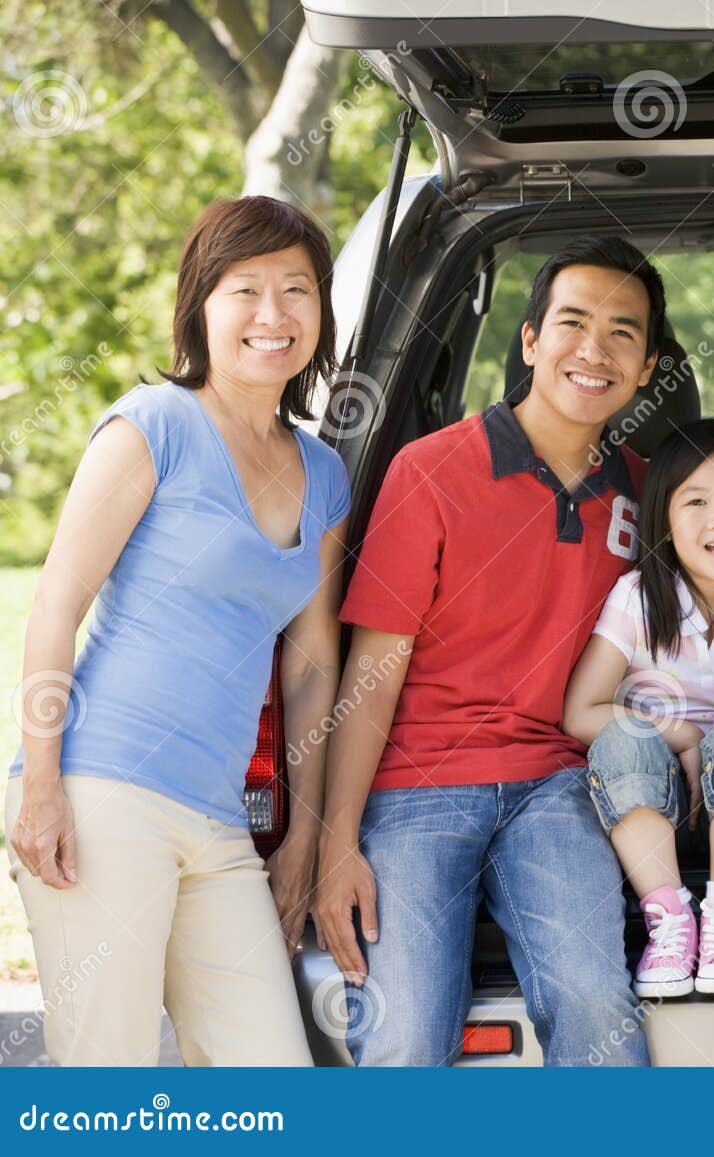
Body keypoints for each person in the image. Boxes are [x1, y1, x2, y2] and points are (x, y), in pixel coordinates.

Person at [5, 196, 349, 1065]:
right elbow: (55, 607)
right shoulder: (151, 425)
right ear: (203, 302)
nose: (273, 316)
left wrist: (303, 835)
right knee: (106, 1073)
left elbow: (312, 667)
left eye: (297, 290)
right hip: (103, 791)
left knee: (271, 1078)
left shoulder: (324, 471)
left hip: (218, 820)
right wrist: (41, 784)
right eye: (247, 290)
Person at [312, 237, 664, 1066]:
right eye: (573, 323)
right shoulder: (430, 468)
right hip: (418, 784)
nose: (595, 349)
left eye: (624, 333)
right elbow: (371, 674)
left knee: (595, 1002)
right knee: (403, 1034)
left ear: (647, 368)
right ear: (532, 341)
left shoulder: (651, 492)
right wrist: (336, 846)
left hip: (559, 783)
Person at [563, 419, 714, 998]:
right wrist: (683, 736)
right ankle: (668, 918)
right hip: (649, 808)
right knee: (623, 738)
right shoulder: (639, 597)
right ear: (662, 515)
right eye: (695, 501)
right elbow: (581, 710)